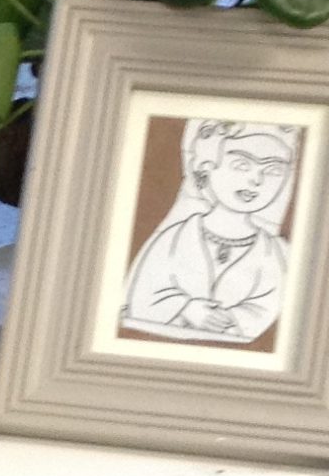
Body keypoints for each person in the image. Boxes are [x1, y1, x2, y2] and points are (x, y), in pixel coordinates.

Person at [121, 118, 299, 347]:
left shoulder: (279, 254)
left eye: (274, 170)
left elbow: (270, 309)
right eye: (242, 165)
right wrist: (187, 309)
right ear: (206, 169)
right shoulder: (173, 237)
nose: (257, 180)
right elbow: (143, 296)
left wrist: (232, 321)